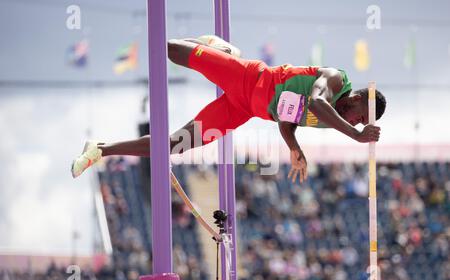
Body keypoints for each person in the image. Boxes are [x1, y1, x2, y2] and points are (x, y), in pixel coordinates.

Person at [71, 35, 385, 183]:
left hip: (244, 109)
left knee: (175, 145)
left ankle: (101, 149)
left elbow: (287, 117)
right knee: (171, 52)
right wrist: (356, 137)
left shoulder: (334, 120)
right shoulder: (335, 79)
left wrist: (294, 147)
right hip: (250, 77)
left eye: (359, 123)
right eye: (360, 116)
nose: (355, 122)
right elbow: (316, 101)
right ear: (357, 97)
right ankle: (208, 46)